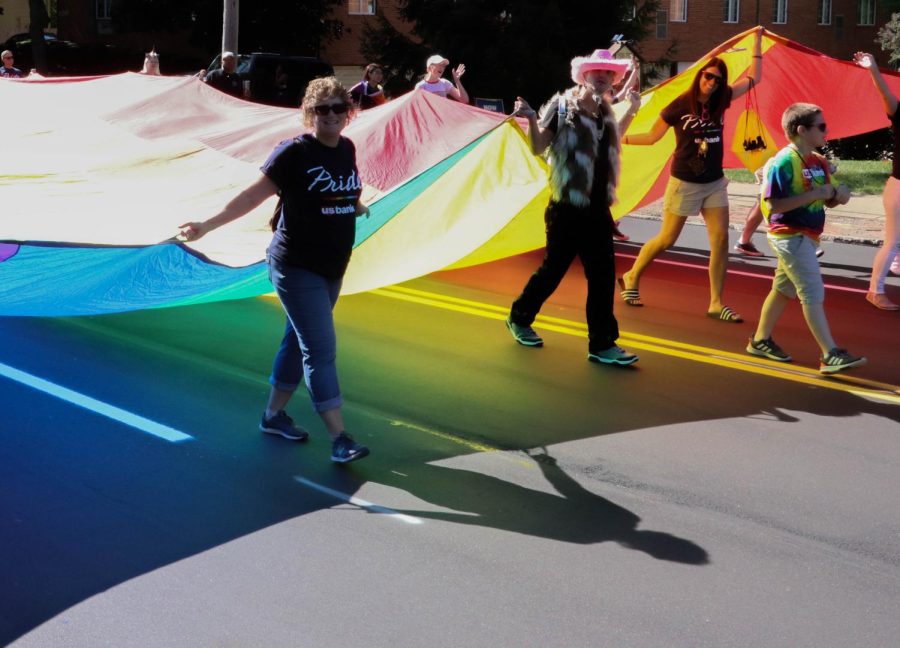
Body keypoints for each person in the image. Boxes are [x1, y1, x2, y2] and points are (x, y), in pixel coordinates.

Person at [177, 77, 372, 463]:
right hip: (296, 265)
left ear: (348, 114)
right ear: (309, 114)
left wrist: (354, 204)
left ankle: (272, 415)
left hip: (333, 265)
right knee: (319, 349)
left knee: (296, 342)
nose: (331, 116)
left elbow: (341, 189)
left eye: (338, 108)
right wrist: (207, 225)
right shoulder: (293, 153)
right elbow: (252, 195)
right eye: (322, 109)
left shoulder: (346, 148)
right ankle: (339, 438)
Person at [506, 49, 641, 366]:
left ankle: (602, 344)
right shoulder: (562, 106)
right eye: (596, 71)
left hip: (597, 210)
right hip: (566, 207)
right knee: (553, 271)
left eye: (608, 74)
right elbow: (539, 148)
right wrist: (529, 119)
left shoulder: (605, 113)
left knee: (603, 276)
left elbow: (613, 138)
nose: (602, 77)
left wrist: (632, 109)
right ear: (584, 75)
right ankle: (519, 317)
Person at [619, 27, 764, 323]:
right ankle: (632, 276)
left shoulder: (722, 99)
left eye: (718, 79)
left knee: (721, 240)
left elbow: (755, 78)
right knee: (667, 239)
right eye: (708, 76)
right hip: (683, 182)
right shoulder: (678, 106)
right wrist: (617, 137)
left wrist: (758, 41)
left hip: (713, 183)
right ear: (699, 75)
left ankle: (715, 302)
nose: (712, 83)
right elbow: (650, 137)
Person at [746, 103, 866, 374]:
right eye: (821, 126)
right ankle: (829, 353)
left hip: (808, 237)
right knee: (812, 290)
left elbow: (832, 197)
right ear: (801, 130)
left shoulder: (818, 161)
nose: (827, 131)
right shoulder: (782, 162)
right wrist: (815, 194)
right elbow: (772, 205)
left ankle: (760, 340)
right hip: (788, 236)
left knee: (783, 289)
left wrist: (839, 194)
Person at [854, 51, 900, 311]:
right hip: (899, 188)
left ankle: (896, 263)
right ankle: (875, 290)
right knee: (892, 241)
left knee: (897, 241)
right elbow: (885, 94)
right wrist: (872, 69)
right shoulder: (899, 112)